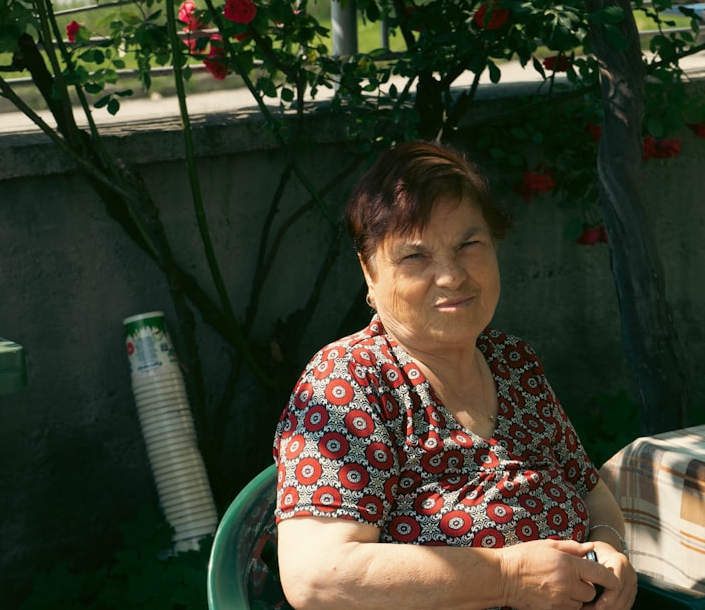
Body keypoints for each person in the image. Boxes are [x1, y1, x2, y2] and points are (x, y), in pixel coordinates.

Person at [273, 141, 637, 610]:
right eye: (414, 257)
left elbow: (591, 493)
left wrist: (606, 549)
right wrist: (508, 577)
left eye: (469, 244)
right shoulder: (350, 382)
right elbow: (316, 577)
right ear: (370, 273)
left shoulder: (512, 363)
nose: (451, 275)